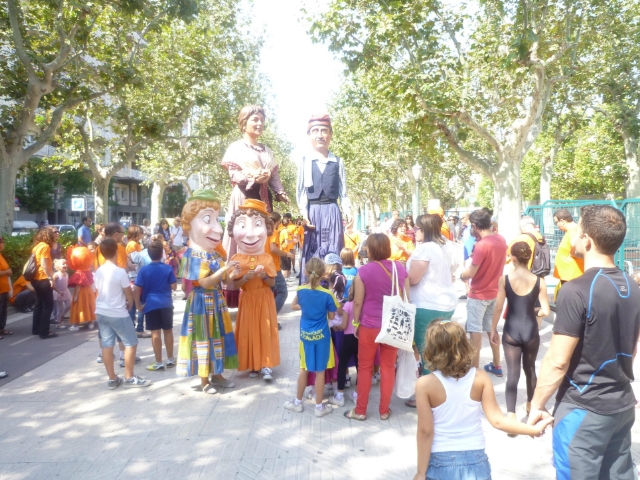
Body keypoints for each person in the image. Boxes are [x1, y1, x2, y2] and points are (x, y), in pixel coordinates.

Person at [528, 205, 640, 480]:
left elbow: (557, 361)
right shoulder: (633, 286)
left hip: (584, 408)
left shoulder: (576, 290)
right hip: (621, 406)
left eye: (577, 230)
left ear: (587, 239)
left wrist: (537, 405)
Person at [413, 320, 554, 480]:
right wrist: (532, 430)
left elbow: (425, 432)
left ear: (432, 349)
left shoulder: (424, 384)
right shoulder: (480, 377)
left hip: (440, 462)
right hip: (476, 461)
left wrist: (420, 472)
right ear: (464, 346)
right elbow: (498, 421)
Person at [221, 105, 289, 308]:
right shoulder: (236, 148)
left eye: (261, 120)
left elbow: (274, 177)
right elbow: (234, 175)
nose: (259, 124)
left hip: (263, 199)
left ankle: (263, 281)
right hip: (243, 198)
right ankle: (240, 284)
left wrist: (280, 191)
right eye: (255, 120)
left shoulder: (267, 150)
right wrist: (252, 177)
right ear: (244, 123)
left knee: (262, 239)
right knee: (243, 238)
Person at [177, 190, 240, 393]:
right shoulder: (191, 255)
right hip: (201, 303)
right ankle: (204, 380)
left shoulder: (214, 253)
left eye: (216, 219)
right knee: (203, 339)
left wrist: (233, 272)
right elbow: (202, 282)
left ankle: (218, 375)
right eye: (207, 219)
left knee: (219, 337)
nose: (217, 228)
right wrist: (224, 269)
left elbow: (225, 280)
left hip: (217, 301)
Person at [344, 233, 409, 421]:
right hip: (393, 325)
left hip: (369, 325)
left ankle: (361, 410)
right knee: (388, 367)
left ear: (370, 249)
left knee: (365, 368)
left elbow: (357, 302)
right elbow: (406, 299)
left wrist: (356, 323)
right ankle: (383, 411)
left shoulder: (363, 272)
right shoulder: (399, 268)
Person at [489, 242, 550, 425]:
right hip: (531, 330)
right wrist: (534, 312)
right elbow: (546, 310)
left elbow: (499, 307)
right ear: (529, 257)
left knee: (513, 373)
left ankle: (511, 415)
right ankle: (532, 407)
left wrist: (493, 329)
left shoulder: (505, 279)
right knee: (530, 370)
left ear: (513, 258)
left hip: (511, 331)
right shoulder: (539, 281)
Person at [228, 199, 279, 381]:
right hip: (247, 299)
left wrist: (264, 276)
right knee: (248, 331)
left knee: (265, 330)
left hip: (264, 298)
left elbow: (273, 285)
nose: (250, 235)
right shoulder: (236, 258)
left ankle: (266, 364)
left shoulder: (266, 258)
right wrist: (245, 278)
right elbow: (233, 285)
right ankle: (253, 364)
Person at [296, 114, 351, 284]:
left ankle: (334, 291)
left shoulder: (338, 161)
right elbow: (301, 192)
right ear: (309, 135)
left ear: (330, 135)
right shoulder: (304, 161)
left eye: (324, 131)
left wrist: (348, 211)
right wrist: (304, 213)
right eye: (315, 131)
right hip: (313, 213)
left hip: (332, 212)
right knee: (313, 253)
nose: (320, 135)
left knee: (333, 252)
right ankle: (312, 291)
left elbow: (343, 192)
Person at [285, 257, 338, 417]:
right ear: (323, 274)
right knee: (320, 372)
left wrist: (306, 307)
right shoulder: (327, 294)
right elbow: (331, 316)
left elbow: (293, 305)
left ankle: (297, 402)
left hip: (306, 337)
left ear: (306, 272)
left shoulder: (301, 290)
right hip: (322, 338)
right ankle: (319, 408)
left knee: (304, 369)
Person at [94, 239, 151, 389]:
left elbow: (96, 290)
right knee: (131, 343)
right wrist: (131, 303)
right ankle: (129, 376)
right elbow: (128, 293)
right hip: (118, 312)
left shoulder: (98, 271)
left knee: (107, 345)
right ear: (116, 251)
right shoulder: (120, 272)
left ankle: (112, 378)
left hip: (101, 311)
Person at [407, 214, 458, 375]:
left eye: (416, 228)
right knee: (441, 351)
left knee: (428, 354)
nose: (414, 231)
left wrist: (402, 271)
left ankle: (429, 396)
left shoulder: (426, 248)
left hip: (426, 306)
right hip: (445, 303)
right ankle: (442, 391)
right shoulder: (445, 246)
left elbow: (413, 278)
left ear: (425, 229)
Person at [460, 209, 507, 372]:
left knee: (475, 330)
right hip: (495, 293)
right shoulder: (500, 240)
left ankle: (474, 369)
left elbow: (471, 272)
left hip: (479, 294)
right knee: (491, 329)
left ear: (474, 226)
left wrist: (461, 275)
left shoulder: (482, 245)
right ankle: (496, 364)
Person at [134, 240, 177, 371]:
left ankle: (158, 362)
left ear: (148, 254)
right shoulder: (168, 268)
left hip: (151, 304)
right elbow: (174, 287)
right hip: (166, 303)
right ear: (162, 253)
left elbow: (136, 289)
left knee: (155, 333)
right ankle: (170, 359)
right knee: (168, 331)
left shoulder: (143, 270)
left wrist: (138, 305)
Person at [330, 284, 359, 407]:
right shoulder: (363, 306)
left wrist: (335, 327)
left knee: (342, 365)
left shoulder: (348, 305)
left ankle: (340, 395)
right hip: (360, 339)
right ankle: (357, 394)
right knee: (360, 367)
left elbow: (344, 325)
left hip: (348, 338)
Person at [31, 227, 57, 339]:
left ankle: (36, 329)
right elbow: (44, 265)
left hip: (35, 278)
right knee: (48, 305)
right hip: (43, 278)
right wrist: (51, 278)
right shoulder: (45, 247)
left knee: (39, 305)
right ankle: (44, 331)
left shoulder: (36, 246)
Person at [552, 208, 584, 299]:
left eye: (556, 222)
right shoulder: (571, 231)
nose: (556, 225)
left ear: (562, 221)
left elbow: (574, 244)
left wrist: (574, 253)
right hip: (568, 275)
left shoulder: (574, 230)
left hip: (572, 275)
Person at [125, 225, 148, 338]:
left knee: (133, 306)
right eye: (142, 233)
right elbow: (139, 260)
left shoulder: (131, 244)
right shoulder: (133, 245)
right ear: (137, 234)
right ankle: (139, 329)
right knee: (139, 305)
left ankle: (132, 329)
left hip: (131, 279)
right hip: (136, 279)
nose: (143, 235)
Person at [267, 212, 291, 315]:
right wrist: (286, 254)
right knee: (283, 292)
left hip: (264, 267)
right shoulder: (274, 232)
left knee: (270, 294)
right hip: (273, 268)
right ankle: (271, 317)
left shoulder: (262, 233)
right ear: (277, 221)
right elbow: (273, 248)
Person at [68, 247, 96, 331]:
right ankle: (91, 322)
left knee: (78, 307)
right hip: (88, 291)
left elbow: (78, 285)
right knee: (89, 305)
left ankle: (76, 324)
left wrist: (75, 295)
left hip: (80, 293)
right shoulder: (88, 272)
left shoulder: (79, 273)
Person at [51, 259, 71, 329]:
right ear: (58, 266)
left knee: (69, 305)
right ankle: (58, 322)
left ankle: (61, 316)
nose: (65, 265)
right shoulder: (56, 275)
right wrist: (59, 291)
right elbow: (52, 285)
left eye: (66, 264)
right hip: (58, 293)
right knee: (60, 308)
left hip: (65, 291)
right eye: (63, 264)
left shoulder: (67, 274)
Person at [0, 235, 13, 337]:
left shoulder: (1, 255)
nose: (3, 244)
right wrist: (6, 272)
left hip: (4, 287)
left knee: (3, 309)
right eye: (1, 242)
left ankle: (2, 329)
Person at [279, 213, 297, 282]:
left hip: (286, 250)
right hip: (284, 251)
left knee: (287, 266)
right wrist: (293, 240)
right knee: (285, 268)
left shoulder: (282, 230)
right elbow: (286, 242)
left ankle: (288, 279)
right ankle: (284, 281)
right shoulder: (285, 231)